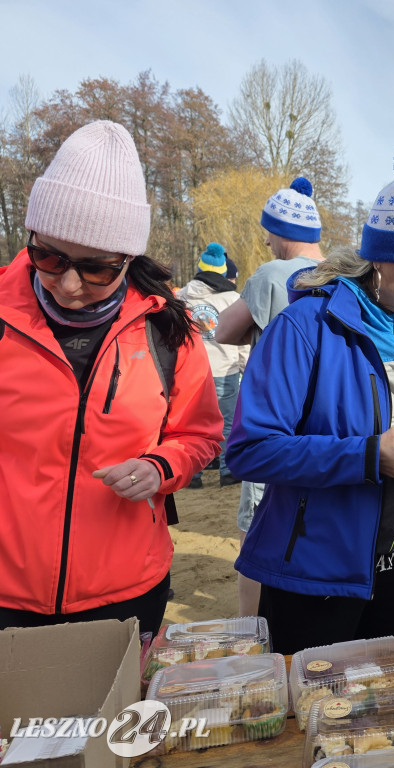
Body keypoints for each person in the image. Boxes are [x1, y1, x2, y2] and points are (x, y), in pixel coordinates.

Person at [225, 145, 394, 653]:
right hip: (316, 574)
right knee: (316, 710)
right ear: (384, 259)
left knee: (393, 714)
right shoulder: (305, 328)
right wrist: (371, 456)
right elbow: (249, 449)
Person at [0, 121, 222, 636]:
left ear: (129, 258)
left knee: (113, 718)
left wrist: (159, 466)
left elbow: (200, 435)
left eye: (96, 268)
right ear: (31, 237)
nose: (70, 284)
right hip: (8, 593)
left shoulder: (170, 330)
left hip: (125, 589)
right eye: (49, 258)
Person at [215, 176, 325, 617]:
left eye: (269, 231)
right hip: (323, 425)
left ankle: (251, 626)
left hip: (272, 419)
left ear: (284, 232)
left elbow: (223, 331)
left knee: (258, 523)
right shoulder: (343, 272)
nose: (264, 240)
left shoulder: (274, 274)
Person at [177, 244, 249, 489]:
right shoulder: (232, 298)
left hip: (190, 371)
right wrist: (246, 368)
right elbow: (241, 340)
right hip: (224, 370)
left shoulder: (181, 297)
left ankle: (193, 476)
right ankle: (228, 471)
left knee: (190, 424)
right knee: (227, 423)